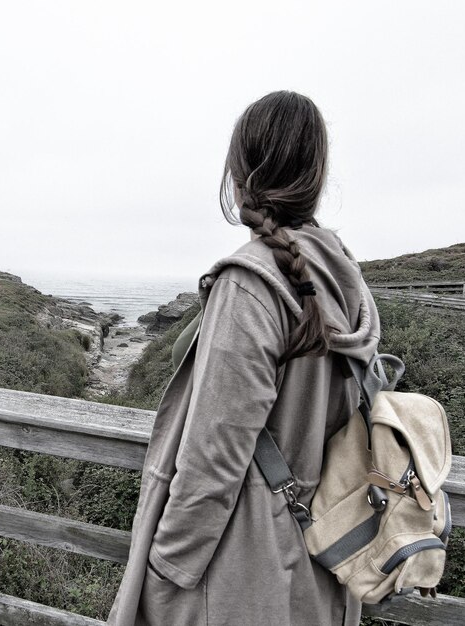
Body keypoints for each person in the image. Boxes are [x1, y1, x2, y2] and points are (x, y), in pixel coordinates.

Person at [108, 91, 380, 626]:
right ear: (315, 178)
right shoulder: (345, 276)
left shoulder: (250, 285)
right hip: (322, 560)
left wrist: (166, 568)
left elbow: (215, 456)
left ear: (240, 174)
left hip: (243, 574)